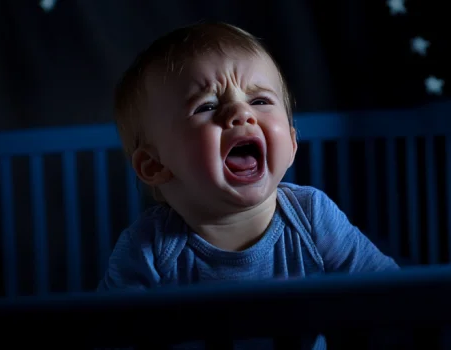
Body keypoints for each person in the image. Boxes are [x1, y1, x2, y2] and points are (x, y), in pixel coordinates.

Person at [98, 21, 400, 349]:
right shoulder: (150, 249)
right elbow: (108, 335)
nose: (242, 114)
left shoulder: (311, 217)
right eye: (207, 107)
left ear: (292, 144)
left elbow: (394, 297)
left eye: (259, 101)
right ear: (155, 165)